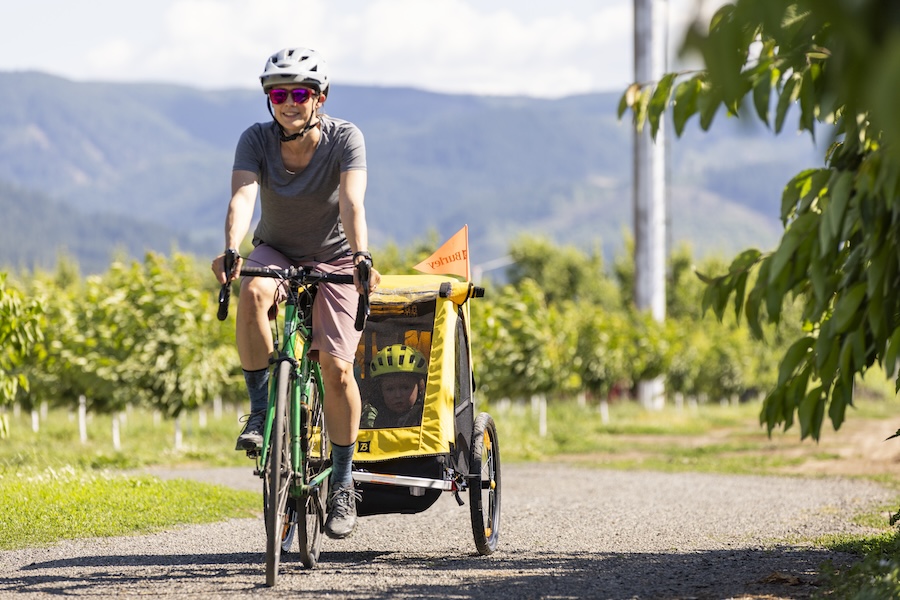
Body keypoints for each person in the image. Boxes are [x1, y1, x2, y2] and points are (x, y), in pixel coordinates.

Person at [211, 47, 380, 540]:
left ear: (319, 99)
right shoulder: (255, 140)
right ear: (269, 99)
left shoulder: (346, 138)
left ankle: (345, 481)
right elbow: (243, 196)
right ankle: (262, 410)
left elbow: (352, 201)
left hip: (335, 258)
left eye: (300, 93)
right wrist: (231, 248)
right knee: (253, 294)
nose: (289, 102)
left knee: (337, 367)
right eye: (279, 93)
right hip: (277, 251)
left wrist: (361, 256)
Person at [361, 345, 428, 429]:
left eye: (405, 388)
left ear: (420, 386)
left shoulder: (427, 416)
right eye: (390, 389)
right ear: (380, 390)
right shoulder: (371, 417)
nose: (398, 395)